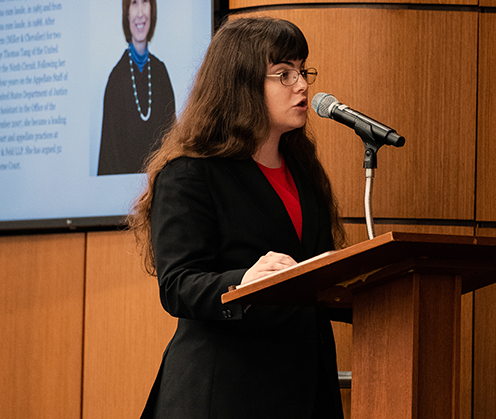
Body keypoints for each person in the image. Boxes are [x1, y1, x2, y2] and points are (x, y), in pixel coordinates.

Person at [128, 17, 349, 419]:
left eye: (302, 70)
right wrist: (243, 281)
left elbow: (316, 274)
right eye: (284, 74)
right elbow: (178, 284)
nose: (302, 85)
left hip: (304, 391)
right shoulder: (190, 174)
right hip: (225, 393)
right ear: (241, 84)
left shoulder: (304, 171)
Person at [98, 0, 176, 175]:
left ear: (152, 9)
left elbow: (173, 144)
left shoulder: (161, 73)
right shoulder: (116, 79)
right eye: (134, 3)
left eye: (145, 2)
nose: (140, 12)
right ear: (126, 13)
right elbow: (109, 157)